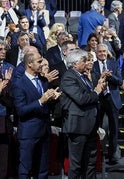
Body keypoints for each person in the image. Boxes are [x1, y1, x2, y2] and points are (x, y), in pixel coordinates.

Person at [12, 49, 60, 179]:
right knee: (25, 169)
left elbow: (46, 105)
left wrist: (52, 99)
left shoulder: (43, 81)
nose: (42, 64)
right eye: (39, 62)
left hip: (44, 130)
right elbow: (21, 110)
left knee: (43, 169)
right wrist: (40, 101)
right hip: (28, 132)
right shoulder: (19, 84)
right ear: (29, 64)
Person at [60, 49, 106, 178]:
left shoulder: (84, 76)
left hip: (90, 125)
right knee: (77, 163)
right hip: (78, 127)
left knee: (91, 162)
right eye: (83, 61)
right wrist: (96, 91)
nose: (86, 63)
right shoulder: (69, 76)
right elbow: (81, 98)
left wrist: (98, 87)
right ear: (74, 64)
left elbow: (90, 97)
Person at [92, 43, 123, 165]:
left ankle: (112, 155)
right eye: (100, 52)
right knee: (96, 128)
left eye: (104, 51)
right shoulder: (92, 66)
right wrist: (101, 76)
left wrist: (110, 76)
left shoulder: (113, 64)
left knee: (114, 128)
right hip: (98, 99)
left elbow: (120, 81)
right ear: (96, 53)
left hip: (112, 98)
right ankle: (97, 155)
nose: (102, 54)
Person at [0, 40, 14, 179]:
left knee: (4, 152)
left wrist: (7, 83)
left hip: (5, 114)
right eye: (0, 49)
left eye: (5, 49)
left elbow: (14, 92)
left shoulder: (10, 68)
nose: (3, 51)